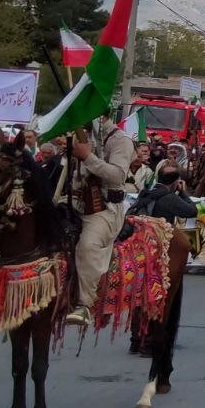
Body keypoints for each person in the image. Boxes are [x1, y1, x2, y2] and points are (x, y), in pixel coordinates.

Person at [65, 119, 135, 326]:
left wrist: (87, 157)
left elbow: (116, 176)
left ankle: (85, 304)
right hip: (77, 203)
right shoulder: (81, 136)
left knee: (88, 246)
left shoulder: (120, 140)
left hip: (104, 210)